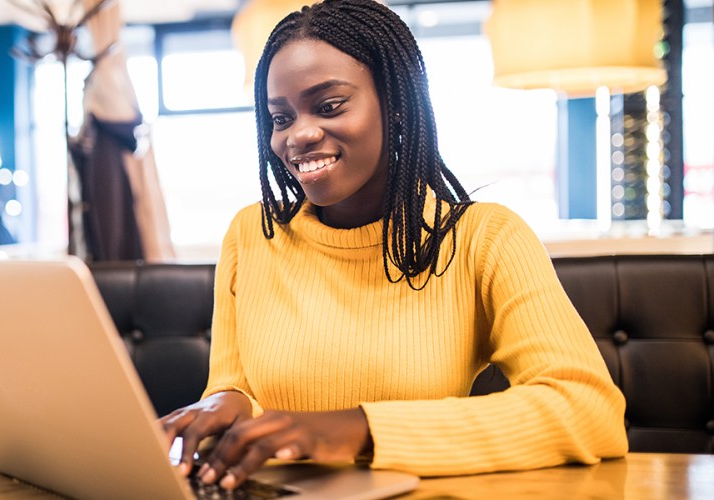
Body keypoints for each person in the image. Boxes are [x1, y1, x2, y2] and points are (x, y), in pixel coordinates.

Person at [159, 0, 627, 490]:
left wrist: (360, 429)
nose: (298, 134)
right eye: (280, 117)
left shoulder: (484, 239)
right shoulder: (251, 234)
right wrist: (222, 404)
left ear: (397, 104)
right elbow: (238, 387)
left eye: (329, 106)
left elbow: (587, 408)